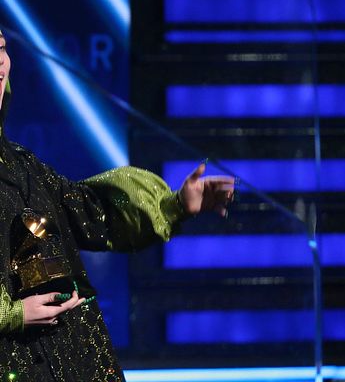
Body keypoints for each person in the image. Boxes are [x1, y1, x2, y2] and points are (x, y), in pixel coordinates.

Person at [0, 30, 234, 381]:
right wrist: (12, 314)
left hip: (69, 356)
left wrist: (175, 206)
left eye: (1, 48)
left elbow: (88, 213)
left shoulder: (21, 164)